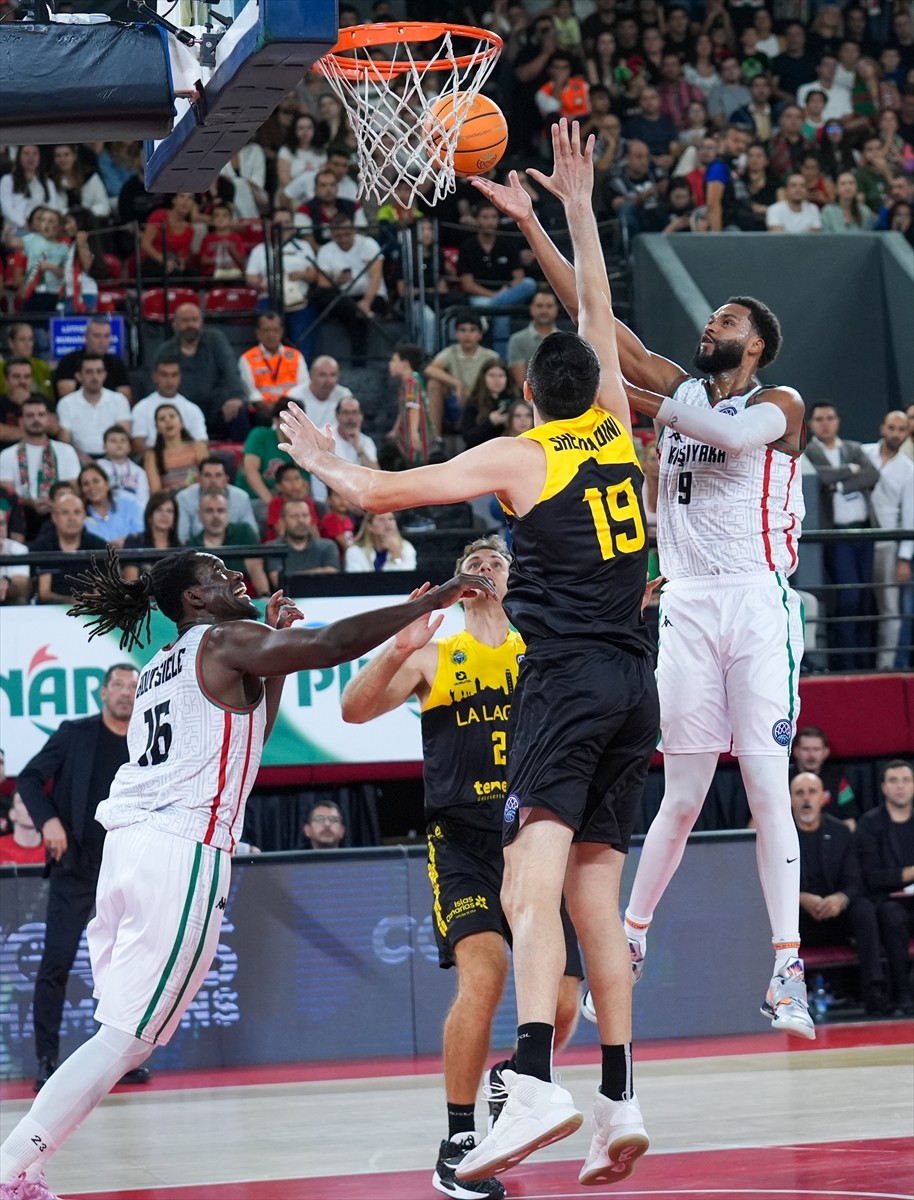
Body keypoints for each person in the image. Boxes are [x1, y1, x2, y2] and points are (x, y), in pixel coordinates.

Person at [279, 121, 659, 1185]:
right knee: (594, 898)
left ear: (531, 390)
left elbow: (377, 496)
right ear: (594, 384)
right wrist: (573, 210)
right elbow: (595, 309)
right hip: (640, 684)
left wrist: (321, 455)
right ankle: (622, 1098)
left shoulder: (520, 453)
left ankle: (533, 1077)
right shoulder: (617, 430)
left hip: (570, 682)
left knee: (528, 889)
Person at [0, 546, 490, 1195]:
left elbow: (247, 740)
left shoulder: (163, 665)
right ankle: (11, 1167)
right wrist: (426, 601)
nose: (237, 577)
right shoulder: (225, 637)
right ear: (195, 600)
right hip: (179, 851)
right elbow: (332, 644)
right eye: (219, 574)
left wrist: (280, 648)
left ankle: (24, 1166)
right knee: (125, 1041)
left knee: (118, 1037)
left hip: (129, 850)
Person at [481, 131, 814, 1039]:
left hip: (754, 599)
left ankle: (787, 969)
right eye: (712, 320)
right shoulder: (675, 385)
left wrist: (649, 399)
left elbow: (733, 437)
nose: (713, 328)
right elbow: (594, 317)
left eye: (729, 325)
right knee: (678, 791)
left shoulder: (776, 407)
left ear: (757, 347)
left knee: (768, 786)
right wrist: (537, 228)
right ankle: (627, 937)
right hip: (685, 601)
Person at [341, 535, 583, 1196]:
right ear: (457, 584)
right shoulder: (434, 654)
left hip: (534, 838)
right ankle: (457, 1137)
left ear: (515, 577)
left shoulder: (540, 650)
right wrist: (395, 645)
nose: (482, 565)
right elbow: (353, 710)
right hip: (463, 841)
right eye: (471, 561)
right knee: (486, 971)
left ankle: (513, 1078)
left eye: (494, 559)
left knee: (565, 1002)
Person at [16, 665, 146, 1091]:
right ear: (103, 692)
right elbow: (30, 779)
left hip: (130, 867)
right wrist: (48, 821)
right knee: (56, 962)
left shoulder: (148, 738)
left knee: (127, 972)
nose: (127, 694)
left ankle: (119, 1063)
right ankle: (47, 1061)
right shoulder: (76, 733)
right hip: (76, 867)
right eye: (119, 686)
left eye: (134, 686)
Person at [790, 772, 890, 1015]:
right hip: (797, 919)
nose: (806, 799)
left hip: (836, 915)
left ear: (823, 798)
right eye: (799, 793)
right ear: (789, 799)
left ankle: (874, 992)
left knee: (864, 909)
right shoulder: (779, 834)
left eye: (812, 792)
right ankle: (787, 999)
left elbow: (856, 881)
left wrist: (840, 899)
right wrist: (801, 898)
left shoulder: (841, 832)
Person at [805, 401, 879, 670]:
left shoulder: (853, 448)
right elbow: (819, 478)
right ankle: (847, 662)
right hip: (835, 534)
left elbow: (872, 475)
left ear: (838, 420)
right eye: (820, 419)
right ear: (812, 424)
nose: (826, 423)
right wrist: (850, 471)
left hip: (864, 531)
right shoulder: (809, 452)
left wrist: (838, 482)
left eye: (830, 417)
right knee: (848, 596)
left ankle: (865, 660)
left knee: (864, 596)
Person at [856, 761, 914, 1016]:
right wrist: (909, 873)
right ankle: (902, 995)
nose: (900, 786)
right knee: (892, 916)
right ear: (883, 787)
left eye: (905, 780)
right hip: (889, 902)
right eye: (894, 781)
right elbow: (870, 876)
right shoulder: (870, 824)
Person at [863, 412, 914, 671]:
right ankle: (855, 660)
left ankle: (885, 665)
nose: (895, 433)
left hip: (887, 542)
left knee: (890, 607)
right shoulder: (864, 453)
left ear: (906, 433)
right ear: (883, 427)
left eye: (901, 430)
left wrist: (904, 557)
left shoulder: (908, 469)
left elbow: (909, 517)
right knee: (857, 600)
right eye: (892, 427)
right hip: (858, 540)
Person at [154, 304, 249, 442]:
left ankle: (243, 457)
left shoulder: (215, 339)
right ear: (175, 324)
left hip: (216, 407)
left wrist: (236, 397)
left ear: (201, 322)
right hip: (182, 410)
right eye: (185, 321)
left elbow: (231, 371)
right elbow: (157, 382)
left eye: (194, 320)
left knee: (238, 413)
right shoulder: (166, 351)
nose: (190, 325)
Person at [0, 398, 81, 541]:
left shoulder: (66, 451)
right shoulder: (7, 455)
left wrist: (53, 501)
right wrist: (30, 502)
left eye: (41, 415)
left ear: (49, 419)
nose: (36, 419)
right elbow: (7, 494)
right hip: (23, 515)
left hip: (58, 513)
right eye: (30, 416)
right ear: (20, 421)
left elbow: (74, 488)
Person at [186, 490, 270, 599]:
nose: (215, 516)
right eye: (209, 511)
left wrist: (264, 595)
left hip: (244, 599)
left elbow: (255, 568)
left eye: (220, 511)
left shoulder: (244, 532)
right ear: (199, 515)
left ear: (228, 513)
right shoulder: (192, 544)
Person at [29, 490, 108, 604]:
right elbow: (44, 593)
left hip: (91, 610)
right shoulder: (42, 547)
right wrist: (71, 601)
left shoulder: (99, 546)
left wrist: (89, 601)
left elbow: (102, 591)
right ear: (54, 517)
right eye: (65, 513)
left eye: (77, 512)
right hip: (50, 612)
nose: (72, 518)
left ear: (84, 516)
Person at [55, 355, 131, 464]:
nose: (95, 377)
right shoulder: (66, 403)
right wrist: (85, 460)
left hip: (114, 459)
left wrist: (106, 462)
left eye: (99, 371)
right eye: (89, 372)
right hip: (78, 460)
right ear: (79, 376)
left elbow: (124, 435)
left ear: (105, 375)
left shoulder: (119, 400)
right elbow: (65, 442)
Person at [130, 359, 208, 458]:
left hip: (187, 461)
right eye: (164, 375)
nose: (169, 381)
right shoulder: (141, 408)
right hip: (154, 460)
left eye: (174, 375)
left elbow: (202, 443)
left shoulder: (193, 409)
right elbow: (137, 446)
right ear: (155, 377)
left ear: (180, 377)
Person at [175, 457, 257, 543]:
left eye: (218, 475)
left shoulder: (242, 497)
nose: (213, 480)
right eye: (207, 475)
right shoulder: (183, 498)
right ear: (199, 479)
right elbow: (183, 537)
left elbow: (253, 534)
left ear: (226, 479)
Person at [238, 311, 308, 412]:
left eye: (275, 330)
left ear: (281, 332)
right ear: (258, 333)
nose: (271, 334)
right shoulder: (247, 359)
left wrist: (285, 407)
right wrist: (272, 409)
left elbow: (304, 386)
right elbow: (251, 392)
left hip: (292, 407)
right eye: (266, 330)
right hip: (262, 410)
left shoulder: (296, 356)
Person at [790, 726, 860, 827]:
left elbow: (849, 822)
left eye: (816, 749)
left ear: (826, 752)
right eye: (806, 749)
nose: (811, 755)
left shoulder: (838, 781)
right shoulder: (783, 780)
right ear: (796, 751)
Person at [53, 317, 131, 403]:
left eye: (106, 336)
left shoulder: (117, 363)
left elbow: (125, 398)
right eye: (97, 336)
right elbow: (66, 396)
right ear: (86, 337)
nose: (102, 341)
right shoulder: (68, 361)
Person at [265, 498, 339, 585]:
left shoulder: (327, 546)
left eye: (305, 515)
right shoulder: (273, 548)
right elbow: (278, 580)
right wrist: (319, 572)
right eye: (294, 516)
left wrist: (293, 576)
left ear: (311, 519)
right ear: (283, 521)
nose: (301, 520)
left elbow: (332, 575)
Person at [142, 404, 209, 496]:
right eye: (162, 419)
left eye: (172, 416)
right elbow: (156, 492)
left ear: (181, 423)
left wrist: (189, 485)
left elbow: (208, 476)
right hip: (170, 501)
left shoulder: (198, 447)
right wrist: (177, 490)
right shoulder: (152, 455)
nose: (168, 420)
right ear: (157, 428)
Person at [78, 463, 143, 547]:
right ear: (82, 490)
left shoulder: (129, 502)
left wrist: (126, 541)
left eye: (96, 481)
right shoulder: (80, 516)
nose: (91, 487)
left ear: (107, 483)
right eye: (86, 484)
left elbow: (142, 532)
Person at [507, 291, 561, 391]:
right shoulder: (517, 340)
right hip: (527, 400)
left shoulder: (565, 340)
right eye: (539, 306)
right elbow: (521, 382)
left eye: (549, 306)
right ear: (531, 309)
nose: (544, 311)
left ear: (556, 310)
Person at [344, 512, 417, 574]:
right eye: (381, 519)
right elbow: (355, 582)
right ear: (369, 526)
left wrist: (396, 556)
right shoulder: (355, 551)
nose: (387, 523)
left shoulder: (406, 548)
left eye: (391, 519)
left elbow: (405, 581)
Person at [0, 793, 46, 866]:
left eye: (35, 802)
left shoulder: (56, 848)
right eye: (23, 801)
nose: (31, 806)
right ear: (12, 814)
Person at [0, 504, 30, 604]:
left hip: (9, 601)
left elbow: (22, 585)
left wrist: (7, 582)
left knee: (20, 601)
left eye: (2, 524)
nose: (0, 529)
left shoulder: (19, 549)